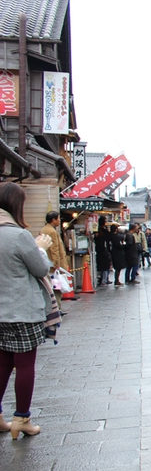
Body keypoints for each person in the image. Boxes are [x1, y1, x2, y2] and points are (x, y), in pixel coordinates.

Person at [0, 182, 57, 439]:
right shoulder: (19, 236)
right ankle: (21, 418)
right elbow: (40, 269)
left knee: (2, 362)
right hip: (22, 309)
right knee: (24, 364)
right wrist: (40, 249)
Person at [41, 211, 68, 306]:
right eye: (58, 219)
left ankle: (55, 306)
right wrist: (56, 263)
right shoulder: (52, 231)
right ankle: (58, 307)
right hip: (53, 265)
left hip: (47, 262)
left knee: (51, 286)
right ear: (53, 220)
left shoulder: (44, 229)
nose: (59, 221)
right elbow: (54, 249)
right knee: (56, 286)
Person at [94, 219, 112, 286]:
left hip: (99, 252)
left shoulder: (97, 237)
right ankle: (104, 280)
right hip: (104, 252)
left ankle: (102, 279)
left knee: (101, 268)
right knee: (105, 267)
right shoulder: (105, 233)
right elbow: (108, 240)